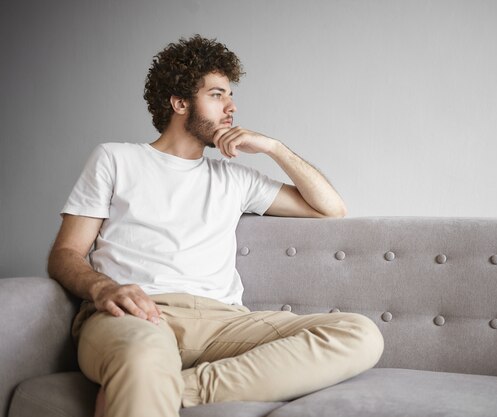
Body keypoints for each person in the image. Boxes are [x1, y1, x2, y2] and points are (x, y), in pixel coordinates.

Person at [47, 35, 384, 417]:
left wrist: (274, 148)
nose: (232, 107)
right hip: (138, 316)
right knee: (141, 359)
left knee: (360, 334)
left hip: (223, 323)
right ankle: (151, 379)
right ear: (179, 103)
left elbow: (331, 208)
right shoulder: (115, 159)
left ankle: (177, 389)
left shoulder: (236, 179)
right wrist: (103, 287)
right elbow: (65, 255)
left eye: (230, 95)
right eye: (217, 95)